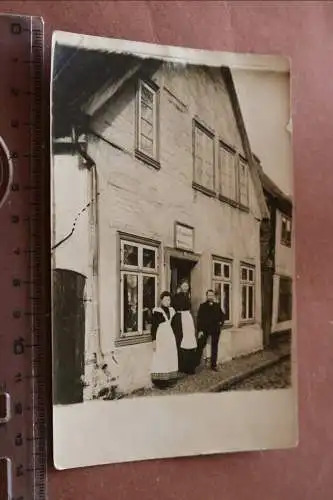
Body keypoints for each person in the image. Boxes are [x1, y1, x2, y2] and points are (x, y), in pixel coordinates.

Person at [150, 292, 179, 389]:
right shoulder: (157, 311)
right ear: (161, 300)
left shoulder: (171, 310)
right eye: (166, 300)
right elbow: (154, 327)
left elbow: (174, 324)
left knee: (169, 356)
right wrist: (154, 340)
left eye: (169, 300)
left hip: (169, 335)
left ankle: (168, 379)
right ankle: (160, 382)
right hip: (161, 336)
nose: (167, 302)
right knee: (161, 357)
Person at [171, 280, 198, 374]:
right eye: (184, 285)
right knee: (180, 341)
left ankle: (189, 366)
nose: (186, 287)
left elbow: (188, 307)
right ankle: (181, 366)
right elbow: (174, 307)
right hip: (180, 319)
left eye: (187, 286)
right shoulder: (177, 296)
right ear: (181, 286)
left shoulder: (188, 296)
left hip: (187, 319)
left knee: (189, 341)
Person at [197, 289, 225, 371]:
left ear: (213, 296)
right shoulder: (202, 306)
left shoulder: (217, 305)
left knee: (214, 347)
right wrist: (200, 330)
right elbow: (199, 319)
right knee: (200, 345)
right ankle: (196, 363)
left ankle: (213, 365)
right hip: (205, 329)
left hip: (215, 329)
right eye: (209, 295)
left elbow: (222, 315)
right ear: (206, 296)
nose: (210, 297)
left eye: (211, 295)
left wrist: (220, 323)